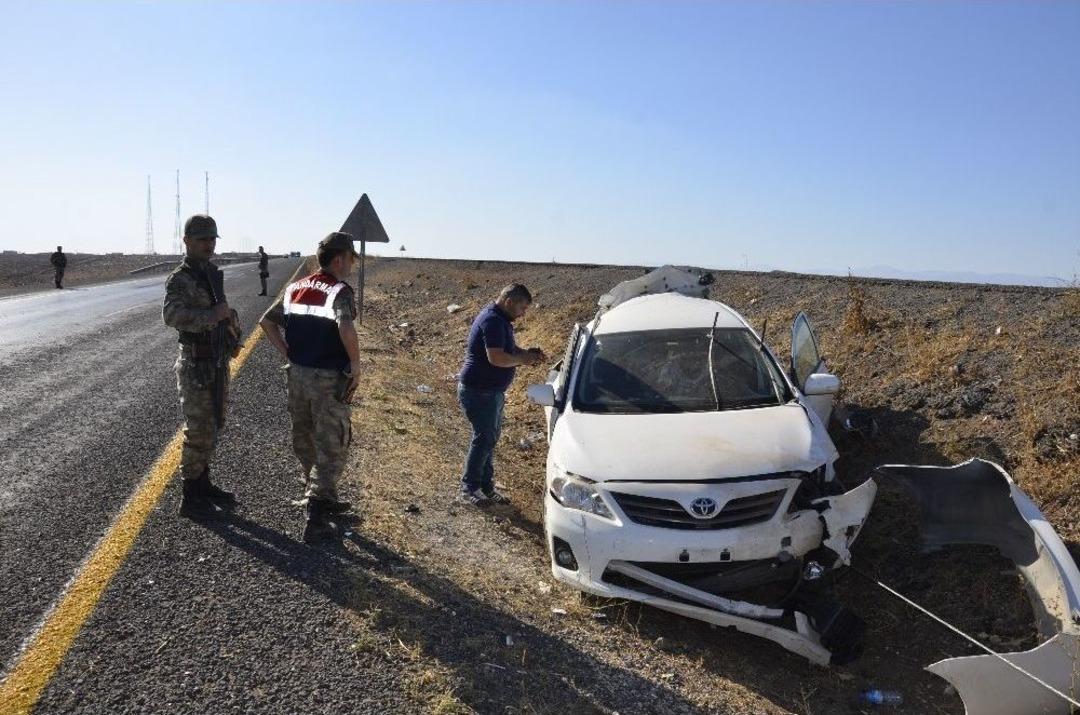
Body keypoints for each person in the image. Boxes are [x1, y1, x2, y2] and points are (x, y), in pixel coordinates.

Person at [259, 232, 361, 543]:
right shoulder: (339, 291)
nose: (354, 264)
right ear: (339, 259)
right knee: (332, 442)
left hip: (297, 376)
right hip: (327, 379)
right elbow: (345, 326)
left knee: (304, 436)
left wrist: (287, 352)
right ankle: (317, 514)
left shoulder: (296, 288)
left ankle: (320, 495)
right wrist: (356, 366)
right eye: (352, 258)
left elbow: (266, 321)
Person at [162, 215, 242, 517]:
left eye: (212, 239)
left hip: (216, 360)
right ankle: (190, 495)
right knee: (199, 428)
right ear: (187, 241)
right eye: (202, 239)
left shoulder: (210, 274)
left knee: (215, 424)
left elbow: (223, 315)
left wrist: (232, 332)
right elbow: (171, 315)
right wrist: (212, 315)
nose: (209, 244)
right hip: (195, 362)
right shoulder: (180, 278)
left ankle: (202, 481)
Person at [457, 284, 546, 506]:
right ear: (508, 302)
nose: (523, 313)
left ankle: (486, 487)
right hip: (480, 391)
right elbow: (496, 358)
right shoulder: (493, 321)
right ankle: (469, 488)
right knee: (484, 438)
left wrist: (528, 355)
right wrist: (522, 360)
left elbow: (510, 351)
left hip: (490, 391)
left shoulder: (501, 321)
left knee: (489, 439)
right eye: (522, 308)